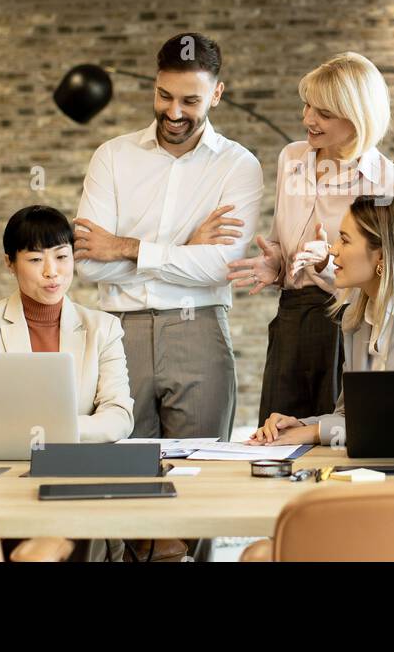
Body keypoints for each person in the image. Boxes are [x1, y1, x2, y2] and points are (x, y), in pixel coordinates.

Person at [72, 32, 263, 441]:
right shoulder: (112, 156)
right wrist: (185, 251)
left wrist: (126, 248)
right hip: (120, 333)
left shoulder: (238, 165)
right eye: (164, 95)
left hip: (199, 333)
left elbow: (218, 268)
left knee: (202, 472)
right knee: (119, 466)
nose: (173, 112)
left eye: (190, 101)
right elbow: (88, 262)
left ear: (217, 94)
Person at [227, 52, 394, 426]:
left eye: (323, 113)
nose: (307, 119)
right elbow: (284, 241)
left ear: (358, 118)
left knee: (335, 439)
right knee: (276, 435)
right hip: (292, 318)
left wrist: (329, 264)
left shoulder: (390, 184)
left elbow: (389, 276)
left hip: (349, 323)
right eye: (307, 105)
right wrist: (275, 262)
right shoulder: (291, 158)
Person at [248, 195, 394, 447]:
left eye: (344, 239)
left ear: (381, 255)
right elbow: (349, 416)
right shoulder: (355, 320)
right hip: (375, 468)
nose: (332, 249)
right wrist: (301, 424)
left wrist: (315, 433)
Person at [0, 205, 134, 443]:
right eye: (36, 259)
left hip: (75, 463)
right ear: (10, 263)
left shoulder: (103, 328)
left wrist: (50, 430)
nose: (52, 272)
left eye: (61, 257)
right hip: (1, 464)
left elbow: (118, 416)